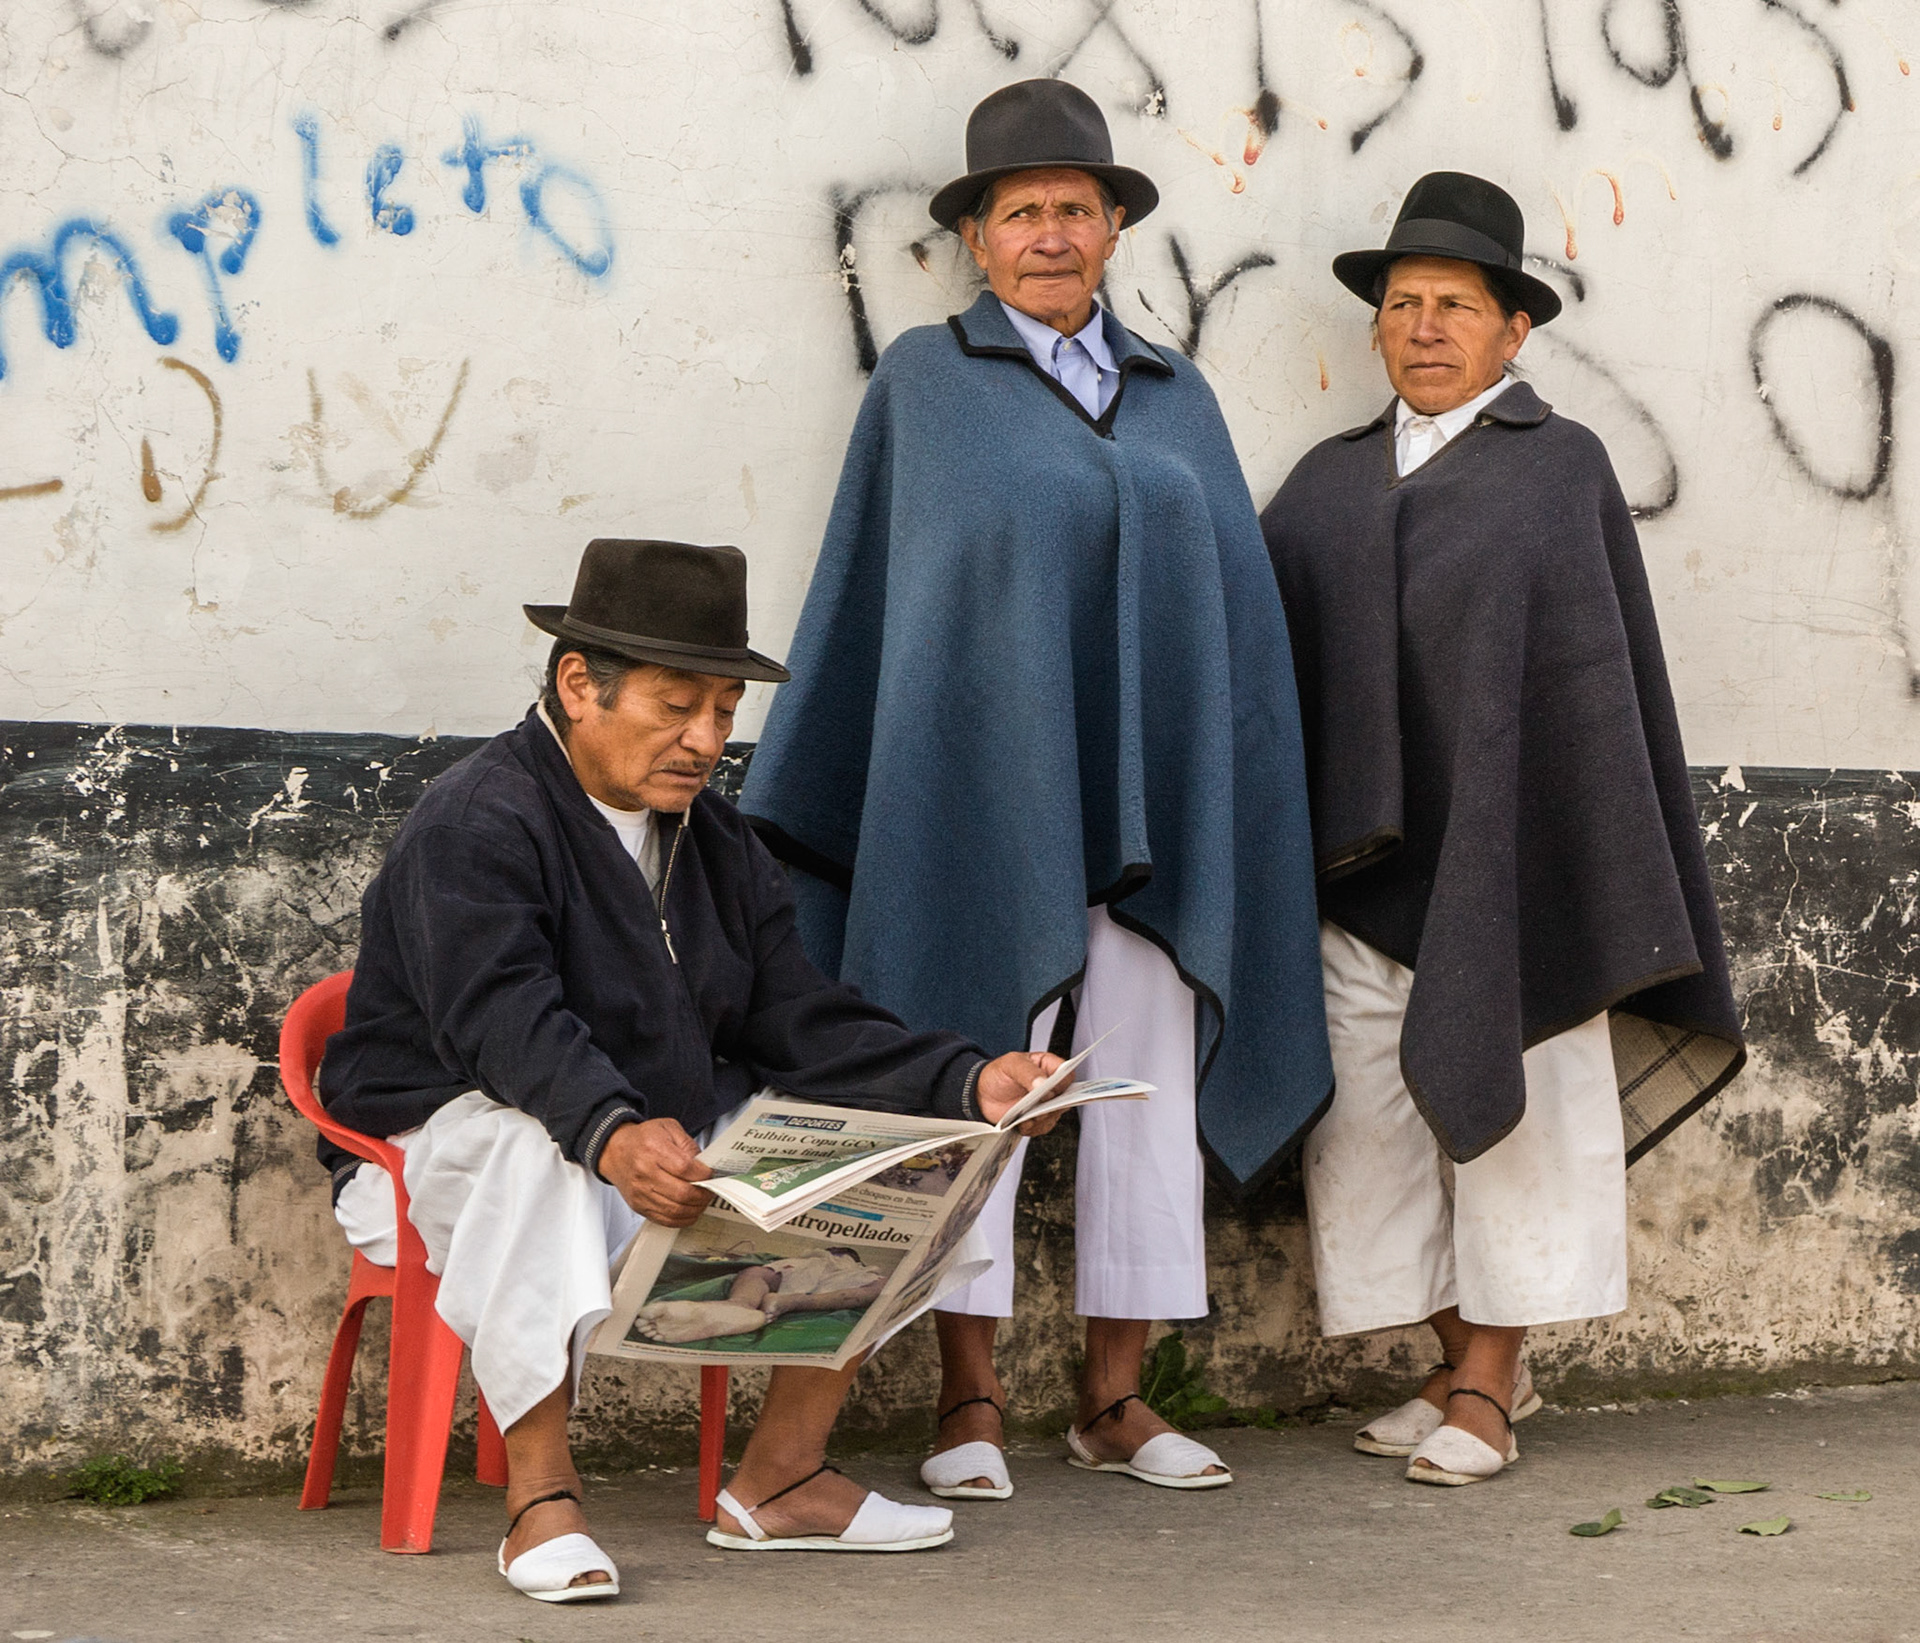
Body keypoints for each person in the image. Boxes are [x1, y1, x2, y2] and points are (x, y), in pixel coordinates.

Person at [740, 79, 1331, 1501]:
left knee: (1137, 1085)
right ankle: (970, 1396)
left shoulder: (1181, 401)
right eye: (1023, 213)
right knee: (975, 1084)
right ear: (977, 239)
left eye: (1076, 208)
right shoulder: (927, 390)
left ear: (1115, 225)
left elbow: (1225, 628)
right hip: (978, 808)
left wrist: (1220, 793)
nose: (1051, 233)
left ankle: (1115, 1397)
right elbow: (898, 604)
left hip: (1157, 826)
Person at [318, 538, 1065, 1600]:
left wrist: (967, 1080)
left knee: (924, 1152)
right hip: (440, 1152)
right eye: (678, 706)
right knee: (531, 1149)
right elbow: (502, 1018)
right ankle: (541, 1500)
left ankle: (784, 1476)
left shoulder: (714, 838)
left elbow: (795, 1013)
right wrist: (611, 1131)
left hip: (650, 1147)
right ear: (579, 684)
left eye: (723, 709)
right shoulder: (477, 819)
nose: (707, 739)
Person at [1260, 173, 1746, 1486]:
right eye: (1404, 303)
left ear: (1513, 328)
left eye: (1457, 305)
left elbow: (1591, 684)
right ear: (1377, 326)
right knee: (1367, 1127)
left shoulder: (1556, 469)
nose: (1425, 326)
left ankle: (1485, 1380)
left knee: (1516, 1116)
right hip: (1357, 880)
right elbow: (1268, 670)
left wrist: (1524, 837)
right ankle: (1456, 1356)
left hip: (1514, 863)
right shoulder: (1322, 486)